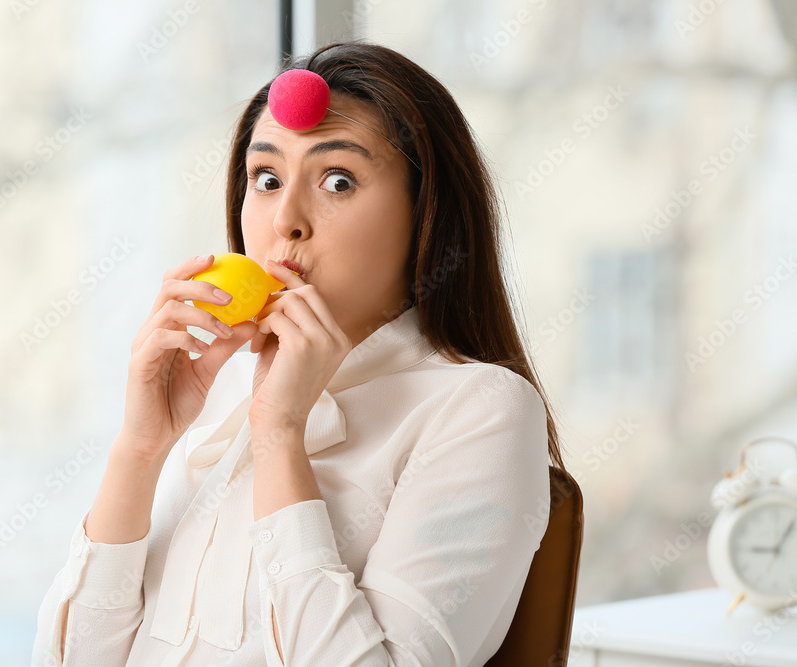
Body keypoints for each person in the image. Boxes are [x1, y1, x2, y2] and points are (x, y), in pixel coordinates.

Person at [31, 39, 566, 667]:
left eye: (338, 181)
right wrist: (141, 448)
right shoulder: (214, 384)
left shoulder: (479, 409)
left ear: (427, 214)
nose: (285, 219)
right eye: (266, 178)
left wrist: (280, 434)